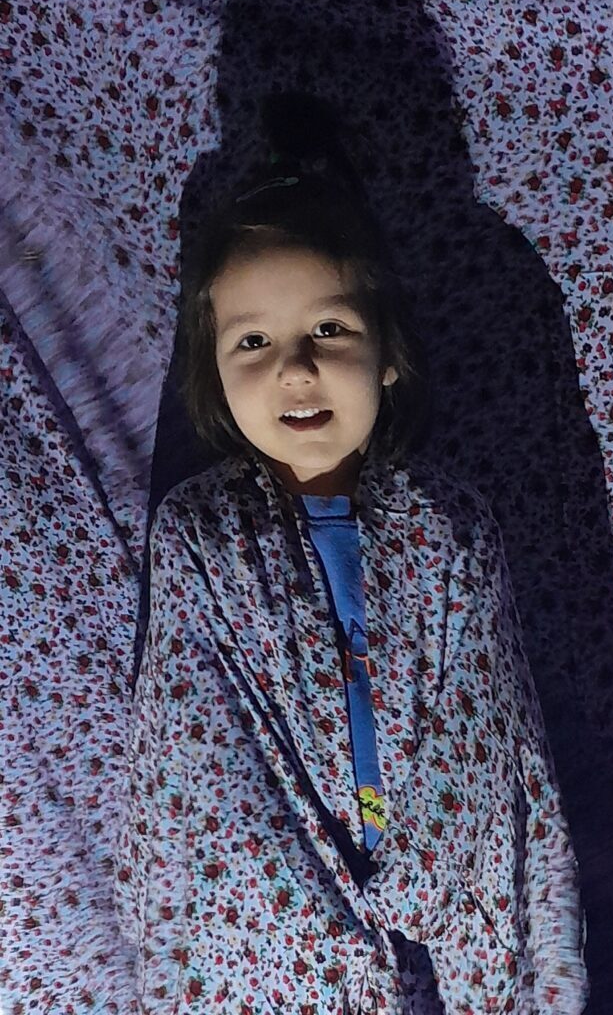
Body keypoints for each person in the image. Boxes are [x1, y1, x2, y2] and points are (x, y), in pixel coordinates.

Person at [113, 91, 588, 1015]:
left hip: (438, 895)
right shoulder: (200, 535)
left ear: (389, 355)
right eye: (253, 341)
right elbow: (194, 757)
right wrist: (319, 926)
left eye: (328, 330)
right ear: (214, 374)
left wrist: (417, 886)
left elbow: (490, 732)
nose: (294, 368)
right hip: (279, 917)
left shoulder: (451, 524)